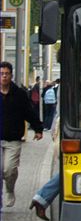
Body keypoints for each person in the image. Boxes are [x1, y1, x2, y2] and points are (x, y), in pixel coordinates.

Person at [1, 61, 44, 208]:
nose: (4, 76)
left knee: (9, 170)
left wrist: (38, 128)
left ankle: (9, 190)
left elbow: (28, 112)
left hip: (13, 139)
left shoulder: (19, 94)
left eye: (6, 74)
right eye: (1, 74)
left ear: (11, 75)